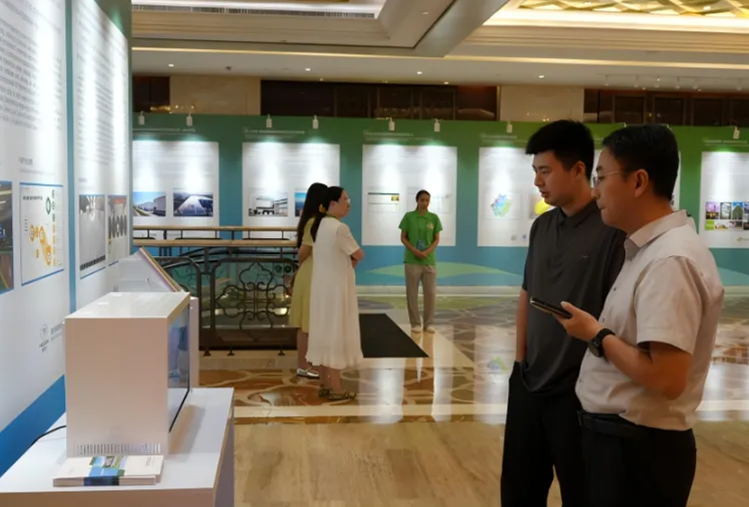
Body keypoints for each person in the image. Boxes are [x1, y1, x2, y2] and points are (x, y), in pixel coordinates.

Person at [555, 125, 724, 507]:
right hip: (620, 445)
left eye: (601, 178)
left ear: (638, 182)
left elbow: (666, 378)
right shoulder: (649, 250)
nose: (595, 192)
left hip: (636, 454)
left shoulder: (670, 260)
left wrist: (597, 335)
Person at [501, 120, 626, 507]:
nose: (537, 181)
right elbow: (527, 293)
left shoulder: (611, 231)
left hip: (579, 393)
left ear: (578, 169)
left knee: (581, 493)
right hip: (529, 383)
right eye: (535, 171)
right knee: (518, 491)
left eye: (545, 170)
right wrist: (520, 363)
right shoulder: (542, 226)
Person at [307, 186, 364, 402]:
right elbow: (359, 254)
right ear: (332, 203)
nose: (348, 204)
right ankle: (337, 388)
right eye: (345, 199)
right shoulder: (340, 228)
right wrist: (351, 262)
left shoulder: (320, 225)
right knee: (336, 333)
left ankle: (325, 383)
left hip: (321, 288)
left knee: (323, 331)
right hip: (337, 289)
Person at [289, 182, 328, 379]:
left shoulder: (315, 221)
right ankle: (303, 365)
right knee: (306, 324)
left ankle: (308, 363)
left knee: (309, 323)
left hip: (313, 274)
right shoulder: (314, 223)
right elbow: (303, 252)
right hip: (310, 275)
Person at [399, 190, 442, 333]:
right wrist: (414, 250)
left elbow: (436, 239)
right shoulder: (409, 217)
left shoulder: (434, 218)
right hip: (412, 260)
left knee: (430, 293)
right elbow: (403, 237)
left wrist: (427, 252)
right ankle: (415, 323)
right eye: (422, 200)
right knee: (412, 293)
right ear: (417, 201)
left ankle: (429, 323)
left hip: (429, 261)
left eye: (427, 200)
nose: (425, 203)